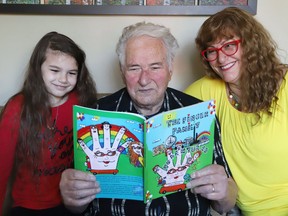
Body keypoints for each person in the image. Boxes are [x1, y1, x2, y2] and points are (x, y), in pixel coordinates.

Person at [59, 22, 237, 216]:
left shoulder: (199, 114)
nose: (144, 80)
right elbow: (76, 206)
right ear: (122, 71)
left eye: (155, 67)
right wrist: (72, 198)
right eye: (134, 68)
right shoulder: (95, 115)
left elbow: (225, 205)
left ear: (170, 69)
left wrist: (223, 192)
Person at [185, 7, 288, 216]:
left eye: (229, 46)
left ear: (252, 44)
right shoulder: (206, 89)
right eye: (212, 51)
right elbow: (165, 113)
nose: (221, 60)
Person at [0, 31, 97, 216]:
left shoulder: (81, 103)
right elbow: (1, 168)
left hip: (69, 204)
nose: (63, 79)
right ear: (38, 69)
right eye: (54, 70)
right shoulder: (17, 108)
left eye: (71, 73)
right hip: (26, 206)